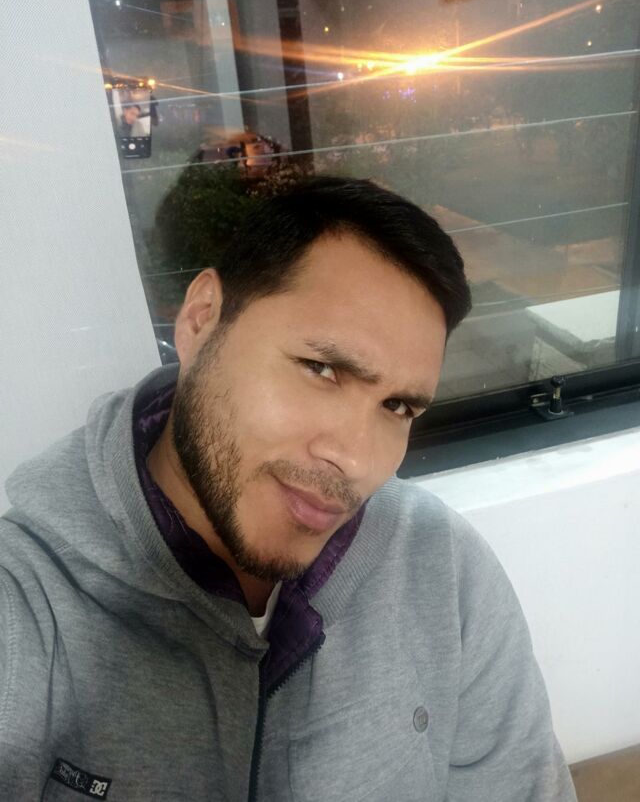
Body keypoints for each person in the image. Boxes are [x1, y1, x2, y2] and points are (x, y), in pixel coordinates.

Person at [0, 177, 576, 801]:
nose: (354, 459)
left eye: (398, 407)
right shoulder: (26, 608)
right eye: (321, 369)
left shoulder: (443, 568)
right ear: (201, 320)